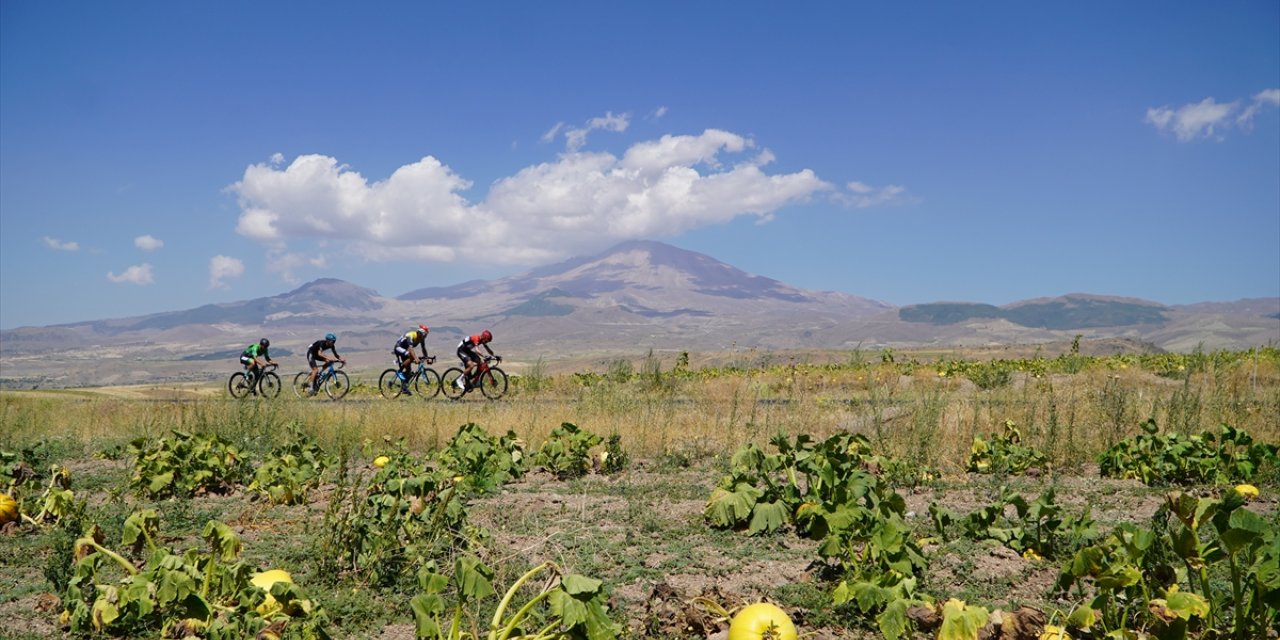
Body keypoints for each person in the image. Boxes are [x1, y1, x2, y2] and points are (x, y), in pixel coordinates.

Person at [393, 325, 433, 394]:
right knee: (411, 356)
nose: (426, 336)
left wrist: (427, 358)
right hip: (398, 348)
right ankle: (399, 372)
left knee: (409, 371)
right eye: (425, 335)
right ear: (421, 333)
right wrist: (416, 358)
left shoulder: (421, 339)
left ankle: (404, 387)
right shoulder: (411, 335)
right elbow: (410, 349)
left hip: (405, 350)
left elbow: (423, 349)